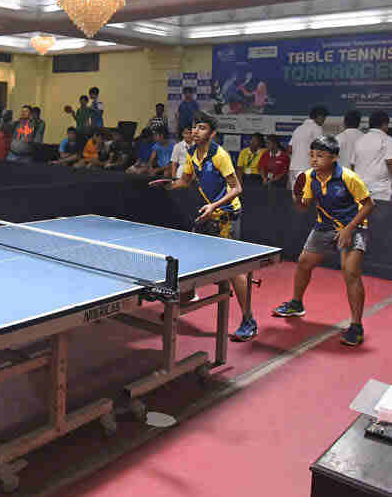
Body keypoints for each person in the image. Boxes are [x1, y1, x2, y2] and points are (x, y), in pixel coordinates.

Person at [150, 112, 257, 343]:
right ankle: (188, 296)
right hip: (209, 212)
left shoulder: (220, 156)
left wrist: (213, 206)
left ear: (212, 133)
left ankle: (249, 320)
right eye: (193, 128)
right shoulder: (191, 154)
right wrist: (167, 184)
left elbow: (237, 188)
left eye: (201, 128)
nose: (195, 131)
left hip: (227, 214)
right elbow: (185, 181)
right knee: (190, 255)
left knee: (234, 271)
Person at [272, 134, 373, 348]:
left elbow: (368, 205)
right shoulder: (309, 177)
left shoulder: (348, 177)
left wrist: (348, 230)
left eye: (320, 155)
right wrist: (297, 197)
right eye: (312, 155)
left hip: (353, 227)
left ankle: (356, 326)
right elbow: (303, 207)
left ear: (334, 158)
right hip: (324, 226)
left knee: (350, 271)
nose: (314, 159)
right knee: (304, 263)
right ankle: (296, 303)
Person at [352, 110, 392, 203]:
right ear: (384, 124)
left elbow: (353, 165)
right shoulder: (387, 139)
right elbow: (390, 163)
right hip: (381, 192)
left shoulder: (359, 140)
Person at [287, 104, 327, 187]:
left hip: (294, 168)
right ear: (318, 117)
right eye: (324, 118)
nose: (324, 120)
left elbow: (290, 149)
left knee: (296, 196)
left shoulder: (298, 128)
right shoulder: (317, 128)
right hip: (307, 168)